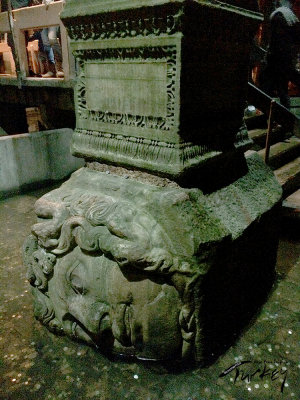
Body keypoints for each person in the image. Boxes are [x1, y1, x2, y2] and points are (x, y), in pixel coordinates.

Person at [260, 0, 300, 108]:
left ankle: (270, 113)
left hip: (278, 57)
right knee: (282, 87)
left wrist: (269, 56)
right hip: (284, 56)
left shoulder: (277, 15)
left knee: (274, 85)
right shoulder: (291, 17)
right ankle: (283, 115)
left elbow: (274, 40)